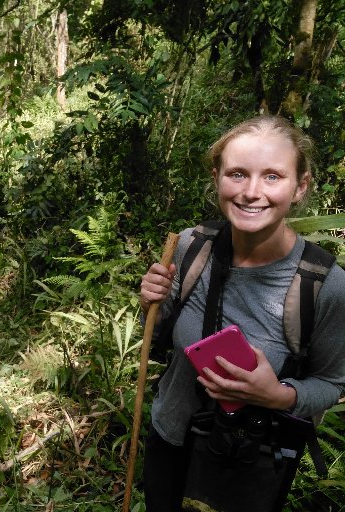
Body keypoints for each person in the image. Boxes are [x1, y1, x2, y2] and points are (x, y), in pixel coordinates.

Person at [139, 115, 345, 511]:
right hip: (169, 436)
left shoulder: (324, 286)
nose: (252, 192)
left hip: (247, 459)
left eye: (272, 177)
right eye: (237, 174)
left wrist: (278, 396)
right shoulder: (190, 246)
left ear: (300, 187)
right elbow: (164, 331)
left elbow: (333, 383)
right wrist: (152, 301)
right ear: (217, 178)